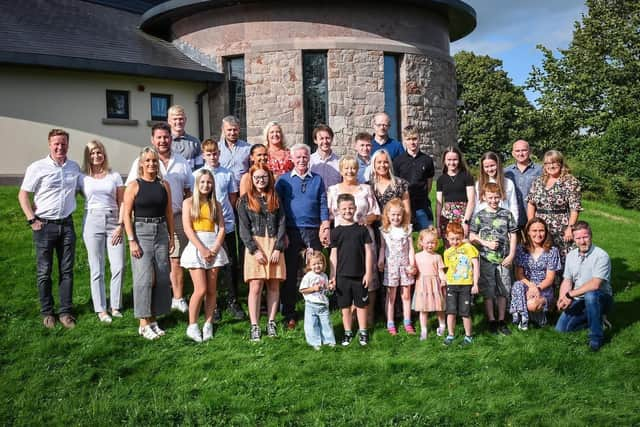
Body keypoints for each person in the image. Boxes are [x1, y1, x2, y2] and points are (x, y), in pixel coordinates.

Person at [126, 123, 193, 313]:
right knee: (148, 270)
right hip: (146, 221)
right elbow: (131, 190)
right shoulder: (141, 161)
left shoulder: (181, 161)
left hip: (176, 217)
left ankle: (177, 299)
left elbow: (189, 188)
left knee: (174, 261)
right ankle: (147, 311)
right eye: (159, 137)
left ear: (171, 139)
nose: (163, 141)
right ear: (152, 139)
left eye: (166, 137)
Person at [18, 129, 81, 329]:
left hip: (67, 225)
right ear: (49, 144)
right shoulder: (37, 167)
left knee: (67, 271)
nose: (60, 147)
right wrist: (31, 219)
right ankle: (47, 312)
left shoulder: (74, 167)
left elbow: (82, 190)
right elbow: (23, 195)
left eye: (63, 143)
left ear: (68, 145)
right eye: (56, 143)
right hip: (44, 226)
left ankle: (65, 312)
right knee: (44, 272)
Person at [275, 143, 330, 329]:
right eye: (298, 157)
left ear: (309, 158)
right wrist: (282, 233)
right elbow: (279, 208)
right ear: (292, 159)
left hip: (313, 230)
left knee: (315, 271)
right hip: (291, 231)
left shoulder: (317, 179)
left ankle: (316, 309)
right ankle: (289, 312)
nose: (301, 160)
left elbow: (323, 203)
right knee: (290, 274)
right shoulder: (283, 180)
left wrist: (325, 225)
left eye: (305, 157)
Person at [123, 146, 174, 340]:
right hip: (141, 233)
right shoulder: (134, 185)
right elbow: (127, 215)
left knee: (160, 277)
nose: (151, 164)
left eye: (154, 161)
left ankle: (153, 318)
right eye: (148, 161)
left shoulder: (164, 185)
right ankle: (143, 323)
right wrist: (132, 241)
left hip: (161, 231)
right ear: (141, 164)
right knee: (143, 278)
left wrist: (170, 235)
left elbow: (169, 212)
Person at [327, 155, 380, 327]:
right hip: (341, 238)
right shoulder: (333, 190)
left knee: (367, 275)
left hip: (362, 237)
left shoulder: (365, 189)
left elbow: (376, 212)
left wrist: (366, 220)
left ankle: (368, 314)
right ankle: (349, 314)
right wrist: (325, 229)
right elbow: (327, 215)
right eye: (346, 168)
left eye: (353, 168)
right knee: (345, 274)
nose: (350, 171)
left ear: (358, 170)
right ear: (341, 170)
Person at [197, 139, 245, 320]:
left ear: (219, 153)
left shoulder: (227, 173)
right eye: (208, 154)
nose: (212, 156)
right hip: (207, 229)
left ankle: (233, 300)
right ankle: (213, 304)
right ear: (203, 155)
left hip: (227, 226)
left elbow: (232, 199)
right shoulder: (197, 174)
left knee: (230, 264)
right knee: (210, 265)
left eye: (215, 153)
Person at [238, 164, 286, 341]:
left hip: (273, 244)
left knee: (273, 285)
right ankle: (255, 325)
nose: (260, 180)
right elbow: (243, 229)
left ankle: (271, 322)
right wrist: (253, 250)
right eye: (257, 177)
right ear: (251, 179)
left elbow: (282, 222)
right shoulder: (244, 200)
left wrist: (279, 248)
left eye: (263, 177)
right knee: (256, 285)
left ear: (269, 178)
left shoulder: (275, 197)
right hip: (256, 245)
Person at [79, 140, 125, 323]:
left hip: (113, 221)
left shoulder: (114, 176)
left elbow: (122, 202)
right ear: (87, 156)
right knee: (96, 268)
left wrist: (121, 225)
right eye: (92, 153)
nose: (96, 156)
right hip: (92, 221)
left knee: (118, 266)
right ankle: (101, 309)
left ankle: (115, 305)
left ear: (103, 154)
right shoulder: (82, 177)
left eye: (99, 152)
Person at [181, 169, 228, 342]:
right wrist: (202, 249)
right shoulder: (188, 203)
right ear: (197, 183)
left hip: (213, 244)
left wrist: (215, 248)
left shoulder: (216, 204)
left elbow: (222, 227)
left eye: (209, 182)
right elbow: (188, 228)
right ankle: (192, 325)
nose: (205, 185)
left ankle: (208, 323)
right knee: (200, 289)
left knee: (211, 290)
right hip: (196, 246)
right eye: (202, 182)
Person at [556, 221, 613, 352]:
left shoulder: (601, 256)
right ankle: (598, 320)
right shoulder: (571, 255)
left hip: (601, 297)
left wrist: (570, 295)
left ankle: (596, 338)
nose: (582, 241)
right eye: (578, 238)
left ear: (591, 236)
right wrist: (562, 298)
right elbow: (567, 280)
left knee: (591, 295)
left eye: (585, 237)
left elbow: (595, 284)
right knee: (561, 330)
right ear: (574, 239)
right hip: (579, 298)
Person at [469, 182, 518, 335]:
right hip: (486, 259)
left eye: (496, 197)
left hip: (504, 259)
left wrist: (511, 254)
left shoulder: (507, 214)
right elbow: (471, 236)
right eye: (490, 197)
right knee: (489, 291)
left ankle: (502, 320)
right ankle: (491, 320)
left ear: (501, 197)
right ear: (483, 197)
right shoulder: (480, 215)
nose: (494, 200)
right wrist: (486, 243)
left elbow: (514, 234)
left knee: (503, 289)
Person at [329, 193, 374, 346]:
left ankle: (363, 332)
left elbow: (369, 252)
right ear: (338, 210)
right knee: (345, 307)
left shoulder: (362, 230)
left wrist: (368, 273)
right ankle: (347, 332)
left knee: (361, 306)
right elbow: (333, 255)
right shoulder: (335, 232)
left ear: (355, 208)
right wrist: (333, 275)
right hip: (342, 276)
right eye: (344, 208)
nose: (347, 211)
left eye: (350, 208)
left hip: (360, 275)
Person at [527, 149, 582, 262]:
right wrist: (531, 225)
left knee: (562, 258)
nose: (550, 166)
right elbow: (531, 203)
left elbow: (574, 208)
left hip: (561, 226)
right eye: (547, 163)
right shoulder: (538, 181)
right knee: (542, 257)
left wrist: (570, 228)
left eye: (554, 162)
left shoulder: (570, 181)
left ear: (560, 163)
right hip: (540, 226)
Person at [509, 217, 562, 330]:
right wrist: (531, 286)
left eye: (541, 230)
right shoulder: (521, 249)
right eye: (534, 230)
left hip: (544, 287)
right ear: (528, 232)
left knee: (532, 304)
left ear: (546, 232)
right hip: (527, 284)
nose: (538, 234)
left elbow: (550, 278)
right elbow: (519, 275)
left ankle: (535, 317)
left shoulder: (552, 251)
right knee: (517, 285)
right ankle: (525, 317)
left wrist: (537, 288)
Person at [378, 198, 416, 335]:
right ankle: (390, 322)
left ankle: (407, 322)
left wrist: (412, 264)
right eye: (393, 214)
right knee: (391, 295)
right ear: (387, 214)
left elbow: (411, 248)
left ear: (403, 215)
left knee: (406, 295)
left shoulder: (407, 229)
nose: (396, 217)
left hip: (405, 266)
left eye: (398, 214)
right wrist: (381, 260)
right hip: (391, 266)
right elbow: (382, 247)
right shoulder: (385, 230)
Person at [442, 222, 479, 346]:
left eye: (458, 238)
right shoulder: (447, 252)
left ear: (463, 236)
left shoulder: (469, 248)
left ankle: (468, 336)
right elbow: (446, 269)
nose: (455, 241)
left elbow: (476, 266)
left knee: (465, 312)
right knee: (450, 311)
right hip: (451, 285)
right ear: (447, 237)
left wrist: (475, 284)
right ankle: (450, 335)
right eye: (452, 239)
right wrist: (445, 281)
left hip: (466, 285)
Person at [393, 125, 435, 231]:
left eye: (415, 139)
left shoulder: (427, 160)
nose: (412, 142)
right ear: (404, 141)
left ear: (419, 139)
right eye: (409, 139)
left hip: (422, 204)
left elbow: (429, 184)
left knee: (428, 234)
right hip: (404, 204)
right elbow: (396, 184)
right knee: (403, 236)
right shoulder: (398, 161)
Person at [412, 227, 447, 340]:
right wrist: (411, 271)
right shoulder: (417, 257)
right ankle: (424, 330)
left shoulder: (437, 257)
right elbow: (415, 271)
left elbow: (440, 271)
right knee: (423, 309)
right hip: (422, 285)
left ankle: (442, 325)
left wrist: (443, 280)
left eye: (433, 243)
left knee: (439, 307)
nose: (430, 245)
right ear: (421, 242)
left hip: (435, 285)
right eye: (428, 243)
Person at [436, 146, 475, 244]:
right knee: (450, 249)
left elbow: (471, 200)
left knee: (465, 247)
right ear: (444, 161)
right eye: (449, 160)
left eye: (455, 160)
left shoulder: (466, 176)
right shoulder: (441, 179)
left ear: (459, 160)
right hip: (447, 218)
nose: (452, 163)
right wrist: (437, 224)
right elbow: (439, 203)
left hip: (463, 216)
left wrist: (466, 222)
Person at [299, 251, 336, 349]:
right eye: (314, 264)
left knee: (326, 323)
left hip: (323, 304)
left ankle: (329, 341)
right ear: (310, 265)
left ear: (323, 264)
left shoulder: (324, 276)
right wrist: (313, 289)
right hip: (311, 304)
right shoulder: (308, 276)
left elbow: (326, 291)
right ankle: (315, 343)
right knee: (312, 325)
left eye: (319, 263)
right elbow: (302, 290)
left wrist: (330, 288)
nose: (317, 266)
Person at [504, 140, 542, 230]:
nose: (520, 153)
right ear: (513, 153)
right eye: (517, 151)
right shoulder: (506, 172)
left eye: (524, 150)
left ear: (530, 151)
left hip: (535, 216)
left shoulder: (541, 170)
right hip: (513, 216)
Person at [474, 151, 518, 225]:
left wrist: (513, 224)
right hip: (485, 223)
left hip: (504, 223)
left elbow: (513, 206)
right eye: (486, 167)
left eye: (492, 165)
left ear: (498, 165)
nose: (490, 169)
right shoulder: (479, 184)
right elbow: (476, 206)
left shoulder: (508, 183)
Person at [369, 149, 410, 215]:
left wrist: (406, 224)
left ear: (389, 164)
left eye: (385, 162)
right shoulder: (368, 186)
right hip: (374, 224)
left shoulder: (401, 184)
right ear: (374, 164)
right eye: (379, 162)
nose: (382, 165)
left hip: (395, 223)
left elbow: (407, 211)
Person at [218, 115, 251, 187]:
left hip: (242, 189)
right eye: (229, 130)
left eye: (235, 130)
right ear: (223, 130)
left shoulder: (248, 148)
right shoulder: (217, 148)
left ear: (239, 129)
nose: (232, 133)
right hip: (223, 189)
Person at [168, 105, 202, 171]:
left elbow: (199, 168)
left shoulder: (195, 142)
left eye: (181, 119)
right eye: (175, 119)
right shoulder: (164, 142)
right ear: (169, 121)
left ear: (185, 120)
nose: (178, 122)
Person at [309, 124, 341, 190]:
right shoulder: (309, 161)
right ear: (315, 140)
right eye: (321, 138)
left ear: (332, 139)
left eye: (327, 138)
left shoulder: (339, 162)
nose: (325, 141)